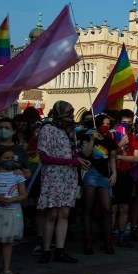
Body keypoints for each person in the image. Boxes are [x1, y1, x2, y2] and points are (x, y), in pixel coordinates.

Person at [37, 101, 88, 263]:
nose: (70, 117)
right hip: (53, 175)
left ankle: (60, 249)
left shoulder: (70, 131)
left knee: (64, 213)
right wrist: (70, 162)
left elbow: (74, 152)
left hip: (69, 176)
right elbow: (44, 157)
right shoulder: (47, 129)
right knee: (52, 213)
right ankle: (46, 249)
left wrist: (79, 160)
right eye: (68, 114)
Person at [79, 113, 119, 254]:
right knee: (88, 207)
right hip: (90, 173)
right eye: (104, 124)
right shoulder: (87, 137)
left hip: (104, 176)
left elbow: (112, 159)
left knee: (106, 209)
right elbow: (85, 154)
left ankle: (108, 240)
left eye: (109, 124)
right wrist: (91, 139)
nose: (107, 126)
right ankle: (88, 240)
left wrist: (114, 173)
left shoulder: (110, 141)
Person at [112, 109, 138, 246]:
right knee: (112, 208)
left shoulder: (134, 138)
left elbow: (135, 158)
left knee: (124, 207)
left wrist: (119, 156)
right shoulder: (111, 136)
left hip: (126, 175)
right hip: (112, 174)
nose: (126, 125)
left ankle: (122, 235)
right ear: (118, 122)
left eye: (129, 122)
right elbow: (108, 154)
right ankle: (109, 234)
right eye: (124, 122)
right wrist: (119, 146)